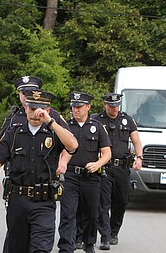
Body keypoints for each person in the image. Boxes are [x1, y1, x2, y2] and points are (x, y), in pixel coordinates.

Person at [0, 89, 78, 253]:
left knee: (41, 249)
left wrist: (50, 121)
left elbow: (73, 145)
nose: (35, 114)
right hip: (18, 201)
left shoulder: (53, 132)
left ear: (47, 111)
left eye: (40, 110)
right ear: (26, 109)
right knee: (17, 248)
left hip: (43, 203)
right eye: (31, 109)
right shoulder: (13, 134)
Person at [58, 92, 112, 253]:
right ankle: (66, 246)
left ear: (88, 107)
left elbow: (107, 153)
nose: (76, 110)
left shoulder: (97, 127)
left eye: (79, 107)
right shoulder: (65, 126)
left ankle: (89, 243)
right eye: (73, 107)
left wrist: (98, 164)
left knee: (91, 213)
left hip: (91, 177)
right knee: (68, 213)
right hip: (71, 176)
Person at [93, 93, 143, 250]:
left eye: (116, 106)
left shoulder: (127, 120)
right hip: (104, 168)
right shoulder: (97, 120)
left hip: (122, 167)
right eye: (111, 105)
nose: (114, 108)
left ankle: (114, 232)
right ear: (104, 105)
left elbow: (136, 141)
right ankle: (105, 236)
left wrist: (139, 158)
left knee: (121, 201)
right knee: (103, 203)